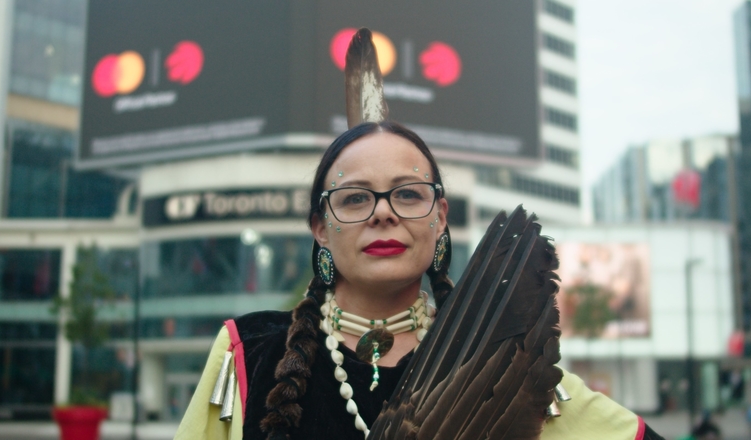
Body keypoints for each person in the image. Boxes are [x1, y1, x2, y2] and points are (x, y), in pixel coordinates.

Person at [175, 121, 665, 439]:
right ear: (321, 229)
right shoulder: (248, 354)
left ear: (440, 217)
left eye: (408, 195)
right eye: (354, 198)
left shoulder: (497, 358)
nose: (384, 214)